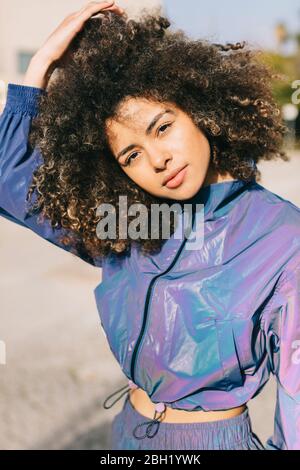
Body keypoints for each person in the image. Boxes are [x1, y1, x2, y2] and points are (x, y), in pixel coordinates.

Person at [0, 1, 300, 450]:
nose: (157, 159)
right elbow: (9, 179)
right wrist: (40, 67)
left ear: (199, 108)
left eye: (162, 127)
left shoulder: (282, 237)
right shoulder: (130, 220)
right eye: (131, 155)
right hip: (128, 432)